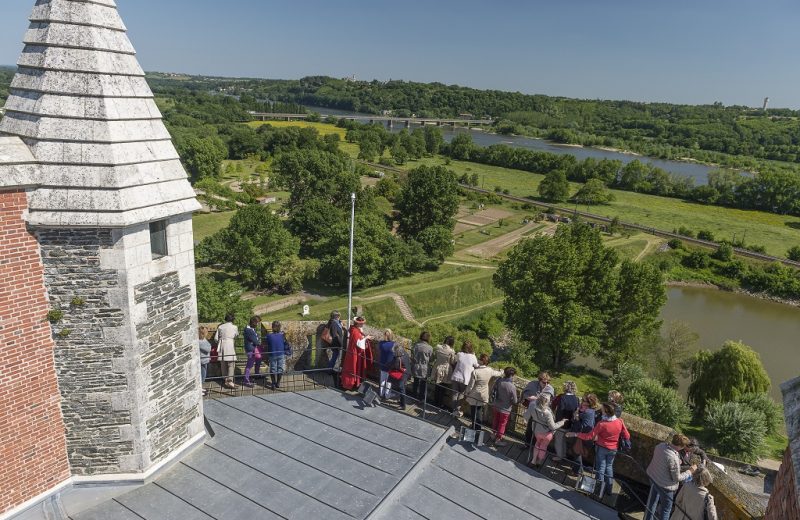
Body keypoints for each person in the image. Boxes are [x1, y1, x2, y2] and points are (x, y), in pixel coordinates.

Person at [567, 402, 630, 496]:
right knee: (609, 468)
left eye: (603, 409)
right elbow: (627, 435)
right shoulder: (620, 421)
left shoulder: (602, 424)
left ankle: (598, 490)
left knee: (600, 469)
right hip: (613, 449)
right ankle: (608, 490)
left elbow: (589, 436)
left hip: (602, 448)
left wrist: (575, 434)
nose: (601, 410)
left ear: (606, 411)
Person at [645, 434, 697, 520]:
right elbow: (677, 478)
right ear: (680, 446)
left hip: (654, 478)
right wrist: (690, 471)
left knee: (652, 503)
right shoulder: (673, 457)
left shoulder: (660, 446)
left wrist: (677, 462)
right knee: (666, 510)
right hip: (665, 486)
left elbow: (662, 460)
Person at [526, 393, 566, 466]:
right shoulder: (547, 413)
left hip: (537, 431)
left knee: (537, 444)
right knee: (543, 447)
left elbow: (526, 416)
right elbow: (553, 427)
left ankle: (533, 460)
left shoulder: (532, 405)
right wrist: (562, 422)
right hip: (547, 434)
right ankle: (539, 462)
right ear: (547, 402)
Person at [465, 354, 502, 431]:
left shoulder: (475, 372)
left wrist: (466, 393)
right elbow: (498, 374)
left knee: (473, 410)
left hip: (475, 393)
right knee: (479, 410)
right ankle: (478, 427)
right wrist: (502, 371)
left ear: (481, 361)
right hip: (484, 393)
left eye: (479, 359)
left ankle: (474, 426)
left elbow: (470, 385)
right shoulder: (490, 370)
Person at [340, 316, 373, 390]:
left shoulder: (354, 329)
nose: (362, 325)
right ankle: (352, 383)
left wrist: (364, 338)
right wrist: (366, 338)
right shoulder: (355, 331)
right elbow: (359, 344)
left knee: (355, 368)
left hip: (353, 352)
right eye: (361, 323)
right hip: (355, 353)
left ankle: (356, 382)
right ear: (357, 324)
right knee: (353, 368)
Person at [523, 371, 555, 443]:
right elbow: (525, 393)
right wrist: (529, 398)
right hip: (533, 411)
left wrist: (538, 399)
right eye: (544, 382)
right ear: (539, 380)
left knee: (539, 431)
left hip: (542, 414)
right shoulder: (532, 384)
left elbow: (548, 400)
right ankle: (527, 444)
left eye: (548, 382)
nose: (546, 384)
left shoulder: (549, 388)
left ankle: (536, 447)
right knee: (529, 429)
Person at [450, 341, 479, 417]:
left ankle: (453, 410)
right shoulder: (473, 357)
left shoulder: (459, 354)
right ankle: (457, 412)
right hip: (465, 379)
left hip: (456, 376)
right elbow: (477, 366)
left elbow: (454, 361)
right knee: (461, 395)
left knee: (454, 394)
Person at [572, 393, 600, 470]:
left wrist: (577, 419)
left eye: (584, 400)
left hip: (584, 436)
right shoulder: (590, 410)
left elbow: (584, 427)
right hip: (585, 436)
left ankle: (576, 471)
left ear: (589, 403)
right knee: (577, 452)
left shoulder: (587, 412)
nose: (582, 401)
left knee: (577, 452)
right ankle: (577, 470)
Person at [553, 381, 580, 461]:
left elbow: (560, 411)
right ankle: (563, 454)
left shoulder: (563, 398)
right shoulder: (576, 398)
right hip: (570, 423)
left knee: (558, 441)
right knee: (564, 440)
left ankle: (559, 456)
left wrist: (556, 422)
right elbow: (576, 411)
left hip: (562, 422)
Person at [491, 367, 518, 446]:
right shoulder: (512, 386)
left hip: (496, 405)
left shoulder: (499, 380)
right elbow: (515, 401)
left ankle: (493, 434)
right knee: (502, 424)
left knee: (495, 420)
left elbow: (494, 390)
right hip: (505, 408)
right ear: (512, 375)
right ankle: (498, 439)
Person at [431, 336, 456, 410]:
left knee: (437, 386)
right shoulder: (451, 351)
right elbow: (452, 361)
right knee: (443, 387)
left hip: (437, 367)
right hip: (446, 370)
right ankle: (440, 404)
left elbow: (434, 356)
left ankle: (435, 402)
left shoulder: (438, 347)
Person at [264, 321, 290, 390]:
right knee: (280, 369)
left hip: (272, 354)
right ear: (279, 328)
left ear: (272, 327)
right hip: (281, 353)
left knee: (273, 369)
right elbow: (286, 343)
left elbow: (267, 345)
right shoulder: (282, 335)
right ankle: (278, 383)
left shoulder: (269, 336)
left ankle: (273, 384)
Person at [215, 314, 238, 389]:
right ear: (232, 320)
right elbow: (236, 335)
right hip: (230, 345)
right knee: (231, 364)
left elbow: (215, 339)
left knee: (223, 363)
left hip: (222, 345)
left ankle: (225, 380)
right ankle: (230, 381)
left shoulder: (220, 327)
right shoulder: (234, 327)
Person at [411, 332, 433, 400]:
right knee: (423, 384)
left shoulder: (416, 346)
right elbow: (431, 359)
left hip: (416, 366)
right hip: (425, 368)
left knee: (415, 383)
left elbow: (413, 355)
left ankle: (414, 397)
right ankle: (421, 399)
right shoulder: (430, 348)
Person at [388, 343, 411, 410]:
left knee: (401, 389)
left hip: (401, 375)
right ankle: (401, 402)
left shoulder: (398, 358)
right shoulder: (406, 354)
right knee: (403, 388)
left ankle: (403, 405)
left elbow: (394, 366)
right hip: (406, 373)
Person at [243, 316, 262, 387]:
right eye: (257, 323)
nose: (258, 324)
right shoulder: (249, 330)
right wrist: (259, 343)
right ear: (254, 322)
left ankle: (256, 374)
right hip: (251, 350)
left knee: (258, 360)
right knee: (249, 365)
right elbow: (255, 341)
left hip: (252, 349)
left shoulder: (250, 329)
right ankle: (246, 380)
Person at [377, 330, 396, 400]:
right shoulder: (393, 344)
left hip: (382, 362)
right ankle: (387, 395)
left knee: (382, 380)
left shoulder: (380, 343)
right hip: (390, 364)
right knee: (388, 381)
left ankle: (381, 393)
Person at [198, 326, 211, 396]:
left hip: (204, 359)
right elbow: (208, 348)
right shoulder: (200, 342)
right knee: (202, 376)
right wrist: (209, 345)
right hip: (202, 360)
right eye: (206, 333)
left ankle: (200, 388)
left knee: (203, 375)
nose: (207, 334)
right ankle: (199, 390)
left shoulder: (202, 340)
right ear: (202, 334)